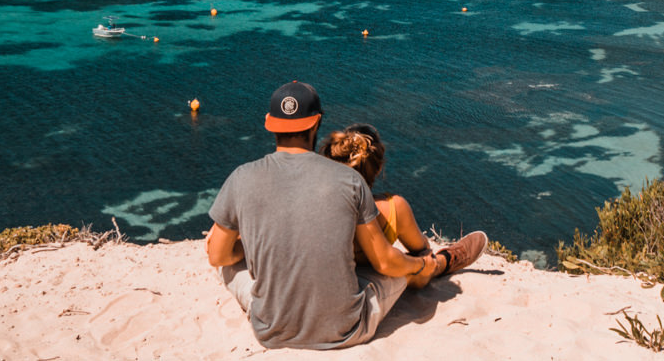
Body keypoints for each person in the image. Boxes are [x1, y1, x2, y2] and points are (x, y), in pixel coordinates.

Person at [205, 81, 487, 349]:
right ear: (316, 122)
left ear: (269, 123)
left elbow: (218, 256)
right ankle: (437, 264)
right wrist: (420, 266)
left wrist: (251, 246)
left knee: (224, 262)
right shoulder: (349, 181)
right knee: (408, 263)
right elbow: (385, 262)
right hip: (346, 330)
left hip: (270, 330)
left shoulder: (241, 178)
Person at [320, 123, 443, 288]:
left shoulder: (316, 207)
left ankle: (444, 261)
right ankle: (444, 262)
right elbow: (422, 249)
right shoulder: (395, 207)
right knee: (423, 268)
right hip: (363, 290)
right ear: (377, 169)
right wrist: (422, 263)